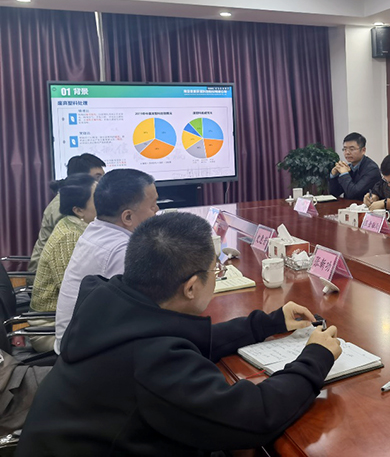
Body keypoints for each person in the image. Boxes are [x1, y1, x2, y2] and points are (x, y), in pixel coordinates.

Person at [16, 212, 341, 456]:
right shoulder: (151, 358)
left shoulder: (111, 306)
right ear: (191, 287)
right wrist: (316, 357)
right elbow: (255, 417)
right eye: (215, 269)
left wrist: (267, 324)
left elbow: (186, 340)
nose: (217, 274)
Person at [54, 169, 159, 353]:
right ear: (128, 217)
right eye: (153, 205)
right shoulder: (122, 251)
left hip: (78, 343)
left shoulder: (96, 230)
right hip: (88, 355)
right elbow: (148, 311)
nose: (157, 210)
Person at [29, 174, 97, 352]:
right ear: (78, 210)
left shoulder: (74, 226)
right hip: (48, 328)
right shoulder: (69, 236)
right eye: (97, 199)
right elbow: (74, 294)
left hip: (60, 321)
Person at [28, 154, 105, 275]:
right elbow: (65, 263)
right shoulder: (62, 209)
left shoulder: (79, 201)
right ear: (81, 178)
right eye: (98, 177)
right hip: (46, 273)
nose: (103, 182)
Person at [329, 132, 381, 201]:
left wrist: (344, 174)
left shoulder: (372, 169)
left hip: (365, 206)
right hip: (349, 206)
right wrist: (333, 175)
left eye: (352, 149)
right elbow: (334, 193)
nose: (347, 152)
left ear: (363, 150)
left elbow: (353, 193)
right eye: (345, 149)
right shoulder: (349, 167)